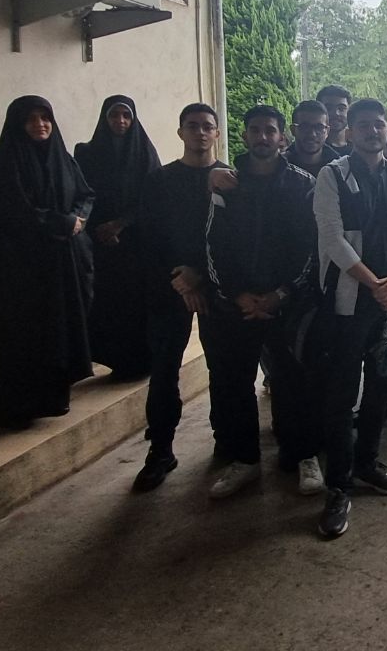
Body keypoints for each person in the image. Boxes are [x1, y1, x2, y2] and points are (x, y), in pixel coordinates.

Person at [314, 98, 387, 539]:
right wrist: (375, 283)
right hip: (347, 304)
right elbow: (333, 239)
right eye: (363, 125)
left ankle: (367, 462)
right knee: (341, 396)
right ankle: (338, 486)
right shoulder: (332, 175)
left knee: (381, 388)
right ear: (350, 131)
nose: (372, 132)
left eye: (379, 124)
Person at [204, 106, 316, 499]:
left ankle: (304, 455)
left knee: (293, 382)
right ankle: (245, 461)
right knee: (236, 383)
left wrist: (282, 294)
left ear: (283, 137)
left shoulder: (302, 184)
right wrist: (237, 294)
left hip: (287, 303)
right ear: (245, 135)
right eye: (255, 130)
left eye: (270, 130)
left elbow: (311, 248)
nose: (263, 137)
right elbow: (214, 244)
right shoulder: (226, 184)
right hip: (238, 304)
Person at [132, 103, 227, 492]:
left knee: (223, 367)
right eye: (192, 126)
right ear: (180, 132)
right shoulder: (160, 180)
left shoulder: (228, 179)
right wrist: (181, 279)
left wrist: (200, 276)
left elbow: (234, 238)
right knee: (164, 369)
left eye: (207, 126)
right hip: (169, 285)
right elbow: (149, 236)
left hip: (216, 285)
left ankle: (226, 440)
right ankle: (161, 450)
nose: (200, 132)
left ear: (217, 133)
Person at [0, 96, 95, 430]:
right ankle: (24, 405)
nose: (40, 125)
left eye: (45, 117)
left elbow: (85, 194)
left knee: (62, 330)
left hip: (64, 261)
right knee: (33, 333)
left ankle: (56, 398)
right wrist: (61, 223)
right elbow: (16, 210)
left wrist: (78, 218)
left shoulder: (62, 158)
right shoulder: (8, 165)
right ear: (18, 125)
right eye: (31, 119)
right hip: (26, 267)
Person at [74, 95, 161, 378]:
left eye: (126, 115)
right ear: (105, 118)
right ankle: (116, 361)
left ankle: (141, 362)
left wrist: (121, 224)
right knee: (109, 303)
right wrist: (100, 227)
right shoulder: (87, 153)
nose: (120, 121)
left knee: (136, 302)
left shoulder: (144, 153)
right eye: (114, 115)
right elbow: (82, 194)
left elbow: (152, 197)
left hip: (135, 242)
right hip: (101, 242)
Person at [286, 100, 334, 177]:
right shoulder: (278, 165)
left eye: (319, 127)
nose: (312, 134)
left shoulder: (339, 168)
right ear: (293, 130)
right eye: (305, 126)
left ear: (327, 131)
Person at [315, 84, 352, 159]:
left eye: (341, 108)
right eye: (328, 108)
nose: (336, 113)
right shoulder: (311, 147)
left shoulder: (360, 147)